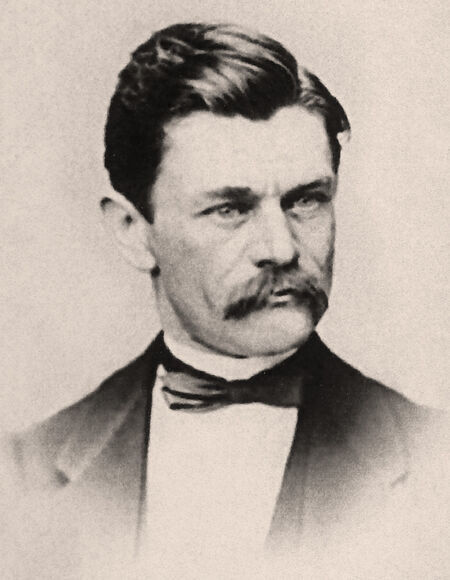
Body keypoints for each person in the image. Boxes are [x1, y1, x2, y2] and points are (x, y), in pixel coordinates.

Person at [4, 22, 448, 579]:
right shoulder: (25, 473)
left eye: (306, 200)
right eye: (230, 210)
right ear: (133, 232)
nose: (281, 248)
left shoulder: (434, 461)